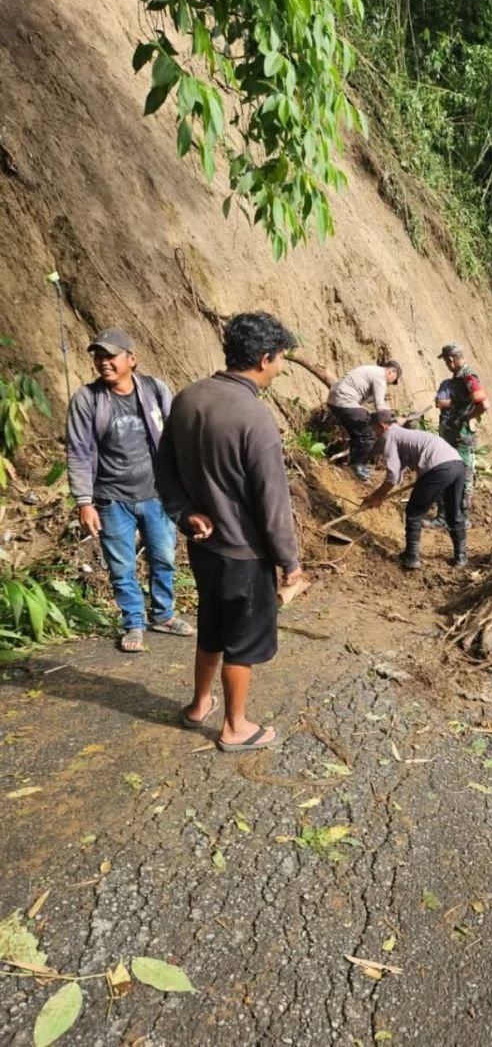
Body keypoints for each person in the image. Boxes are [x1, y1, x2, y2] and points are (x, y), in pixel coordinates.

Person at [155, 312, 303, 753]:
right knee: (243, 639)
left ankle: (199, 704)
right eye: (280, 360)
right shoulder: (254, 417)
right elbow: (272, 501)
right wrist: (290, 562)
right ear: (264, 358)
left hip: (205, 547)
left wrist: (184, 513)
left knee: (212, 625)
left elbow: (162, 469)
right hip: (245, 553)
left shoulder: (187, 399)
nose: (279, 367)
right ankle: (235, 726)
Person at [66, 327, 193, 653]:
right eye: (98, 356)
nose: (103, 362)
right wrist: (85, 502)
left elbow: (177, 434)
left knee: (164, 558)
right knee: (121, 567)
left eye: (110, 355)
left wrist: (184, 484)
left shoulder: (154, 390)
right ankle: (133, 622)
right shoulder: (87, 399)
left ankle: (163, 615)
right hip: (111, 498)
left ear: (131, 359)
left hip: (156, 494)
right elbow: (78, 451)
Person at [364, 410, 467, 569]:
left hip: (438, 468)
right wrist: (379, 495)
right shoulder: (404, 434)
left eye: (374, 429)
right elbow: (398, 471)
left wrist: (377, 496)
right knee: (454, 512)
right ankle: (461, 557)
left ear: (381, 426)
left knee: (414, 512)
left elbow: (391, 477)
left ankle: (412, 557)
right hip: (457, 465)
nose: (374, 433)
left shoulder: (389, 436)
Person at [426, 344, 489, 528]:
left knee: (454, 472)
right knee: (461, 473)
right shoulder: (460, 379)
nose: (446, 363)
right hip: (456, 435)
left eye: (446, 360)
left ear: (451, 359)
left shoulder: (468, 377)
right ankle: (458, 518)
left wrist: (469, 417)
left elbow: (484, 404)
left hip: (460, 437)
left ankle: (450, 517)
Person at [327, 361, 403, 482]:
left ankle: (349, 463)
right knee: (368, 435)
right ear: (391, 371)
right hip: (344, 400)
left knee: (357, 434)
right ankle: (356, 466)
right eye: (393, 380)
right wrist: (395, 418)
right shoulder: (380, 376)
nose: (391, 383)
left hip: (334, 400)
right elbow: (380, 407)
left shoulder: (371, 370)